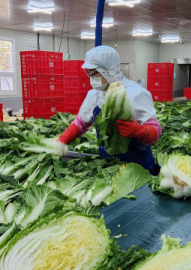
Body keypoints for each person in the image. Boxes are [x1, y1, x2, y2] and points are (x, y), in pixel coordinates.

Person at [55, 46, 162, 175]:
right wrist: (63, 139)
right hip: (109, 167)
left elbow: (155, 131)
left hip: (138, 168)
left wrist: (140, 131)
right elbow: (80, 123)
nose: (91, 78)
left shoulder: (136, 94)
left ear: (110, 71)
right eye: (88, 73)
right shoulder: (94, 95)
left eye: (94, 73)